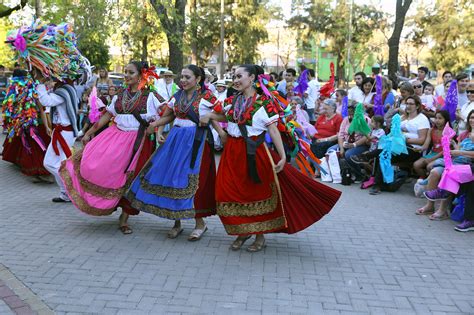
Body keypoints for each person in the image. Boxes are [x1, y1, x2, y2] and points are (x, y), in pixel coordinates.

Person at [200, 64, 341, 252]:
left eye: (239, 75)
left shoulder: (265, 103)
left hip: (253, 152)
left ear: (252, 79)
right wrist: (210, 115)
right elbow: (222, 114)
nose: (235, 79)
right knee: (226, 192)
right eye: (234, 76)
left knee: (255, 193)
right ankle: (242, 230)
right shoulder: (232, 100)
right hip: (231, 153)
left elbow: (273, 130)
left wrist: (282, 157)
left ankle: (259, 235)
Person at [59, 61, 165, 233]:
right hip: (115, 138)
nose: (127, 75)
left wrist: (157, 127)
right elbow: (105, 117)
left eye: (131, 72)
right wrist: (88, 134)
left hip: (138, 142)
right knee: (100, 168)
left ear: (141, 75)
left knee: (131, 180)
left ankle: (124, 218)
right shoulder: (119, 95)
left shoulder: (150, 95)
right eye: (126, 72)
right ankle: (108, 202)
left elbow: (168, 111)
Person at [127, 65, 225, 241]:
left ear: (198, 79)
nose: (183, 81)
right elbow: (168, 116)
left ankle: (200, 223)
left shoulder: (207, 97)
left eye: (188, 77)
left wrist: (213, 121)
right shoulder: (176, 96)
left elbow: (223, 116)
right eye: (182, 77)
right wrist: (156, 126)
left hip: (197, 142)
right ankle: (176, 222)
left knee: (194, 181)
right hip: (176, 140)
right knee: (173, 179)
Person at [371, 95, 430, 195]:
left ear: (417, 106)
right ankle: (379, 183)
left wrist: (405, 140)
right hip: (397, 146)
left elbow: (421, 140)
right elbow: (389, 124)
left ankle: (377, 183)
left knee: (384, 152)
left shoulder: (422, 119)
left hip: (413, 149)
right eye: (407, 103)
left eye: (411, 104)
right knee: (383, 150)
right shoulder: (402, 118)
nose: (408, 106)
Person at [412, 110, 450, 178]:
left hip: (443, 155)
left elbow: (445, 151)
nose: (437, 120)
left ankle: (433, 182)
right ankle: (425, 180)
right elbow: (425, 146)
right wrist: (420, 148)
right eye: (436, 118)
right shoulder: (431, 130)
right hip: (433, 153)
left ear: (446, 120)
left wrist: (432, 159)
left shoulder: (448, 132)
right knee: (416, 165)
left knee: (429, 166)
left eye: (440, 118)